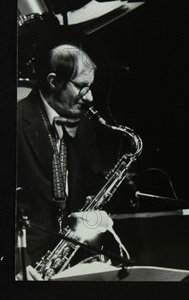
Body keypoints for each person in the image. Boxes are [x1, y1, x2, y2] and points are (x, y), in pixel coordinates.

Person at [16, 44, 118, 279]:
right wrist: (17, 263)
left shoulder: (83, 124)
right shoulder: (14, 123)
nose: (90, 97)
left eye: (90, 88)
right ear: (53, 81)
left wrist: (98, 216)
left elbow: (94, 186)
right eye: (82, 87)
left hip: (71, 261)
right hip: (25, 265)